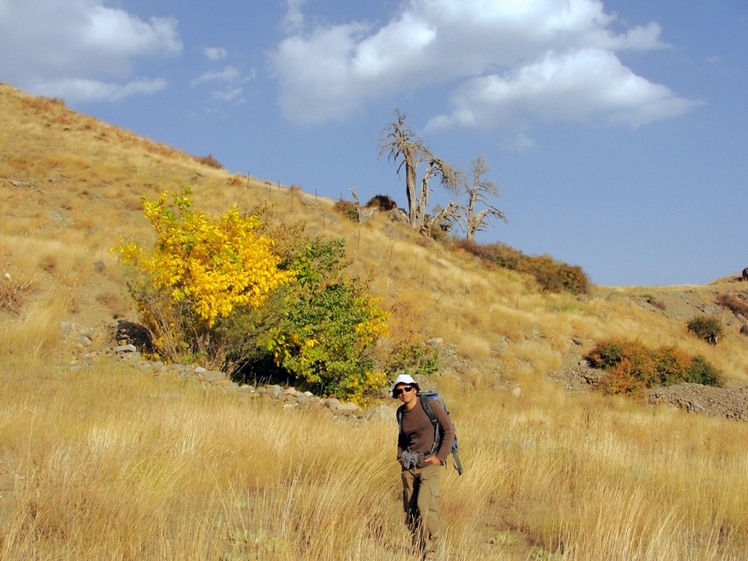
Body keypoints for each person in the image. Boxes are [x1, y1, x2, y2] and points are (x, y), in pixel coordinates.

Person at [391, 374, 455, 559]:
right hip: (409, 467)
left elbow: (448, 430)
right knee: (410, 511)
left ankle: (436, 550)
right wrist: (400, 455)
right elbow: (403, 436)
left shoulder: (430, 405)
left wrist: (439, 457)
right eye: (399, 391)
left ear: (415, 389)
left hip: (429, 465)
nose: (404, 393)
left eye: (407, 388)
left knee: (425, 507)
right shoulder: (401, 413)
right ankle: (418, 547)